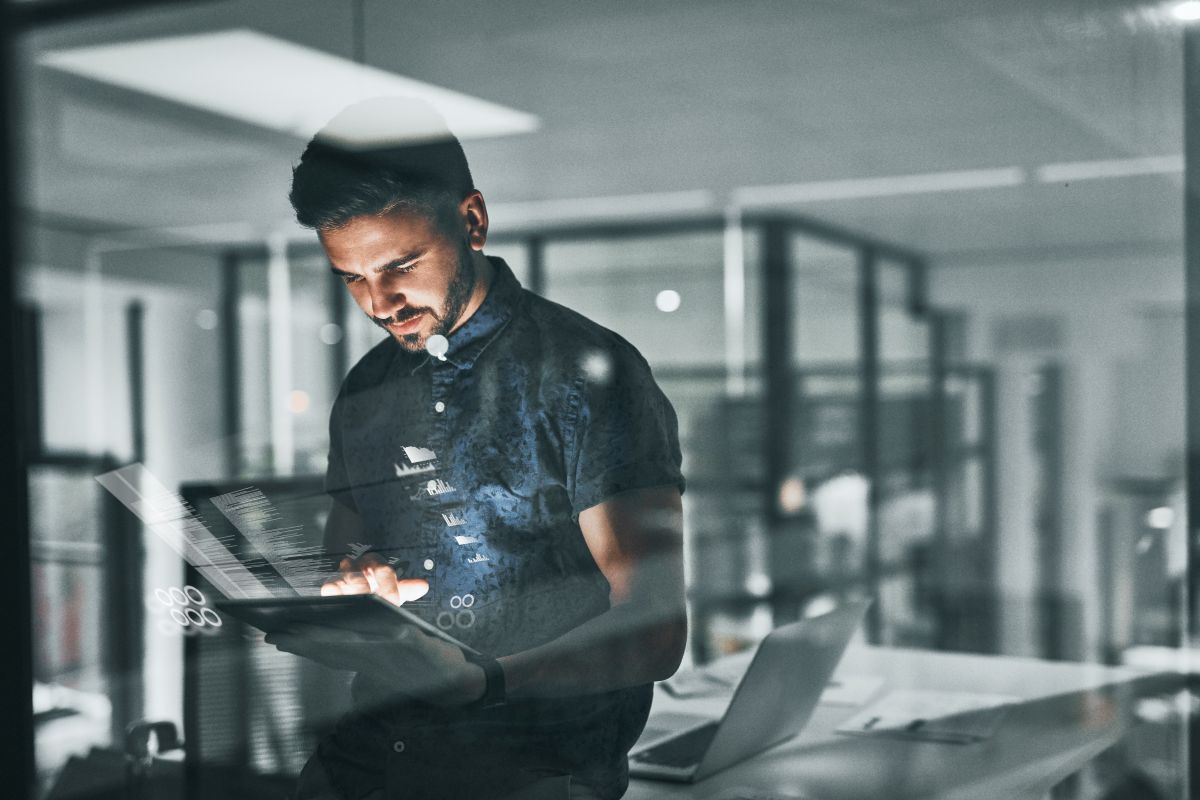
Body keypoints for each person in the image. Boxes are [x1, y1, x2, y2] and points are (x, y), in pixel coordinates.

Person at [267, 99, 687, 800]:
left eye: (401, 264)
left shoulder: (586, 374)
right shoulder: (368, 386)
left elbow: (655, 633)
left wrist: (485, 678)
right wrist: (345, 588)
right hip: (368, 757)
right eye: (352, 277)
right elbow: (343, 555)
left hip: (535, 771)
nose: (380, 302)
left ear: (471, 221)